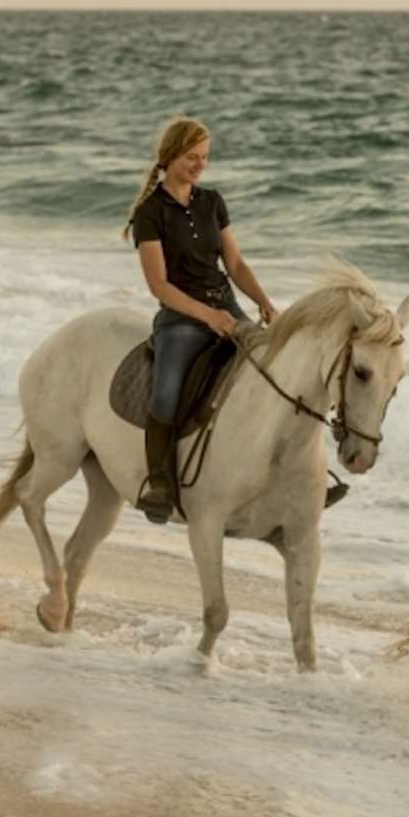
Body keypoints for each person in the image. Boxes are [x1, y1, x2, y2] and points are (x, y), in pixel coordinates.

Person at [123, 116, 278, 523]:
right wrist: (206, 316)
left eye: (205, 157)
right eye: (192, 156)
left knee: (273, 370)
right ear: (170, 156)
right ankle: (158, 483)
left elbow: (236, 263)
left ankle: (282, 472)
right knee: (167, 391)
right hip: (181, 317)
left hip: (226, 305)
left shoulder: (212, 201)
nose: (200, 164)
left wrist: (263, 302)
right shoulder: (150, 212)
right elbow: (159, 285)